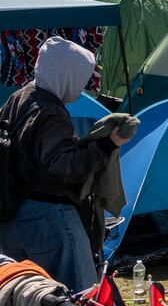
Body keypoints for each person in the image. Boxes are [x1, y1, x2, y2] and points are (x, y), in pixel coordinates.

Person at [0, 38, 134, 290]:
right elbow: (63, 166)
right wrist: (108, 144)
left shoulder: (18, 99)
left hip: (11, 214)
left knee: (29, 300)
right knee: (77, 298)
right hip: (49, 219)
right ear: (67, 75)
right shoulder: (50, 112)